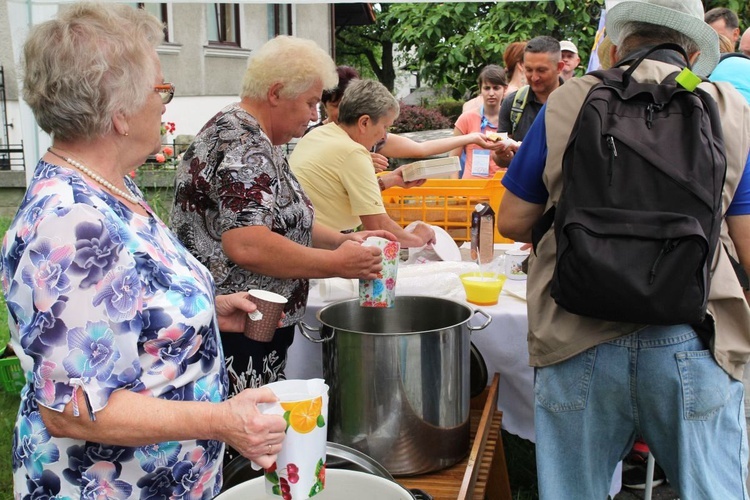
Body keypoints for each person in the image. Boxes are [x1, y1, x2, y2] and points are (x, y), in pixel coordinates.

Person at [0, 4, 288, 496]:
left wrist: (204, 313)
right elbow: (77, 410)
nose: (165, 102)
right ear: (119, 113)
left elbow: (121, 303)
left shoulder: (114, 186)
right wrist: (222, 420)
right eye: (160, 89)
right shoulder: (71, 221)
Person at [498, 0, 750, 498]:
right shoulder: (729, 108)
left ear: (614, 43)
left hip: (576, 332)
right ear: (694, 46)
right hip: (691, 333)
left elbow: (511, 220)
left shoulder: (569, 100)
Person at [169, 36, 393, 462]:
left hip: (251, 320)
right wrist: (336, 264)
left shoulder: (250, 135)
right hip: (240, 324)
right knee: (246, 446)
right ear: (275, 93)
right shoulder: (243, 144)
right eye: (310, 103)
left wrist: (344, 241)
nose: (314, 115)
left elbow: (290, 220)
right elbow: (248, 243)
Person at [290, 78, 436, 246]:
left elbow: (335, 191)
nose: (383, 136)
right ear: (364, 122)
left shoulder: (319, 134)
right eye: (385, 127)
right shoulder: (353, 152)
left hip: (299, 239)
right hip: (317, 248)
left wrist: (387, 181)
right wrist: (419, 237)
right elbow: (379, 227)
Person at [321, 66, 500, 174]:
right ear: (324, 105)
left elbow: (421, 149)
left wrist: (472, 137)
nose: (345, 111)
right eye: (336, 105)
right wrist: (360, 165)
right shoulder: (318, 138)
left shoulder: (374, 137)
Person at [495, 36, 565, 168]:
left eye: (541, 70)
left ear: (559, 67)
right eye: (528, 70)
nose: (534, 77)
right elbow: (500, 160)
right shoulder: (512, 104)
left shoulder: (576, 103)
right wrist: (503, 155)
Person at [449, 65, 508, 179]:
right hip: (471, 191)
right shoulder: (466, 118)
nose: (491, 93)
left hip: (500, 189)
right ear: (480, 89)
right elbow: (453, 159)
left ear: (505, 89)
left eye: (496, 88)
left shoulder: (511, 119)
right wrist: (455, 193)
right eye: (487, 88)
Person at [305, 65, 359, 134]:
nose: (344, 112)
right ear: (325, 105)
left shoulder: (366, 135)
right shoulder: (314, 136)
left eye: (350, 105)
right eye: (336, 105)